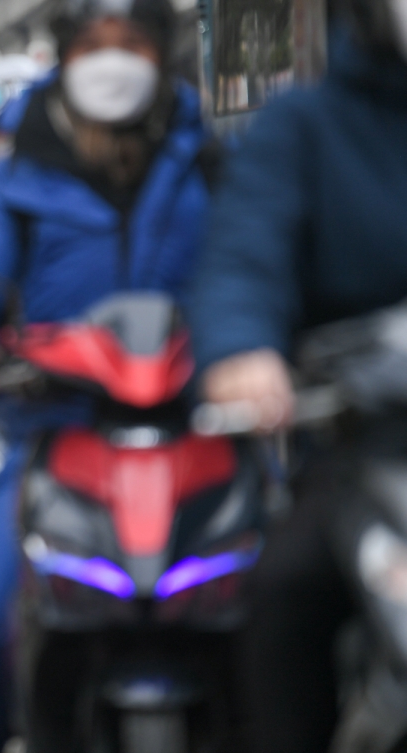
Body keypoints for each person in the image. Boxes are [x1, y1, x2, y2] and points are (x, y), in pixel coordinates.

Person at [0, 0, 213, 749]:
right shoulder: (17, 170)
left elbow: (262, 256)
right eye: (94, 44)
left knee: (301, 605)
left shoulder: (203, 151)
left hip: (204, 430)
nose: (113, 61)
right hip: (58, 434)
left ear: (160, 50)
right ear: (65, 55)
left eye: (131, 43)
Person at [189, 2, 407, 749]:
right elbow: (245, 256)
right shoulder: (302, 127)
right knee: (282, 599)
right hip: (368, 449)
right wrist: (241, 348)